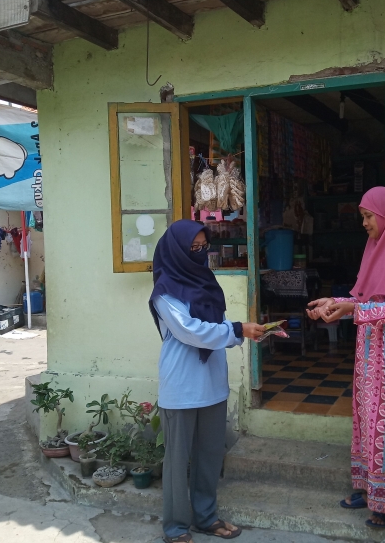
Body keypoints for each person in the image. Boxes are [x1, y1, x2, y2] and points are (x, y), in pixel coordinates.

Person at [307, 187, 385, 529]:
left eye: (367, 216)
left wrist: (353, 308)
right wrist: (333, 303)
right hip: (371, 355)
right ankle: (369, 488)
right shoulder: (375, 251)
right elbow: (363, 299)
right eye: (362, 216)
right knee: (369, 422)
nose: (363, 223)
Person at [150, 219, 265, 543]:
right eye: (193, 249)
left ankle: (205, 517)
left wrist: (237, 330)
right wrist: (237, 330)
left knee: (209, 456)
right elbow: (191, 330)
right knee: (177, 462)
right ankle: (175, 527)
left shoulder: (205, 282)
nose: (200, 255)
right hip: (182, 386)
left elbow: (214, 323)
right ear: (176, 251)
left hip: (212, 382)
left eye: (204, 248)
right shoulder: (165, 291)